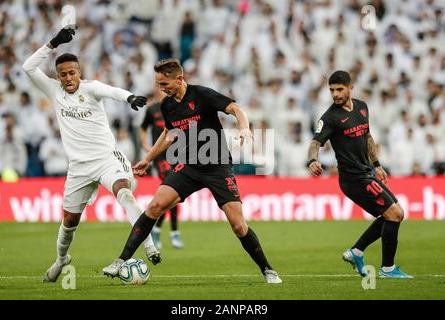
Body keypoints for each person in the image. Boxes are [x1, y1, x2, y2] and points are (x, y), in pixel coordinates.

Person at [103, 58, 282, 284]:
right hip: (189, 165)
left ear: (179, 78)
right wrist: (148, 159)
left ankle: (268, 270)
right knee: (155, 206)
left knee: (238, 225)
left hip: (217, 166)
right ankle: (121, 260)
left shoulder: (202, 95)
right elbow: (169, 134)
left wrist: (244, 128)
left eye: (164, 83)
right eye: (158, 84)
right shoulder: (168, 105)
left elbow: (235, 109)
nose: (161, 89)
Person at [22, 28, 161, 283]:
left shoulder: (91, 88)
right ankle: (61, 259)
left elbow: (112, 91)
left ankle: (150, 247)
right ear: (58, 76)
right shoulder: (54, 91)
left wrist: (129, 97)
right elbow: (28, 67)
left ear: (79, 72)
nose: (68, 78)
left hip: (107, 158)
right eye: (63, 74)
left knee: (125, 192)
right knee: (69, 222)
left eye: (72, 73)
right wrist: (52, 43)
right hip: (78, 167)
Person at [307, 70, 412, 279]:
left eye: (339, 89)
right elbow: (315, 142)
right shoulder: (330, 118)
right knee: (395, 214)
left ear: (350, 88)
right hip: (353, 179)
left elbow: (367, 136)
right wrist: (312, 160)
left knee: (393, 214)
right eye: (332, 90)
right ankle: (387, 269)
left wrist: (377, 164)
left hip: (367, 173)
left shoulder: (362, 107)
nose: (335, 94)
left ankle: (356, 252)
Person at [140, 90, 184, 250]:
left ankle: (157, 229)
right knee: (172, 190)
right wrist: (145, 146)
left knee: (173, 196)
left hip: (177, 155)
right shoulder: (152, 110)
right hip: (160, 157)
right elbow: (143, 128)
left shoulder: (176, 108)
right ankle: (174, 233)